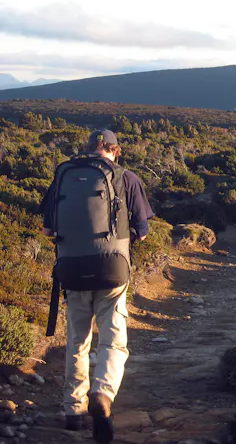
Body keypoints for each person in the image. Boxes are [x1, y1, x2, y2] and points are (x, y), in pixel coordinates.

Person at [41, 129, 153, 444]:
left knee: (77, 340)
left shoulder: (63, 175)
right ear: (115, 151)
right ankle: (102, 395)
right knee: (113, 341)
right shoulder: (126, 177)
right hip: (112, 269)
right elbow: (142, 231)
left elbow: (48, 229)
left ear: (89, 149)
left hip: (72, 270)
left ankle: (73, 411)